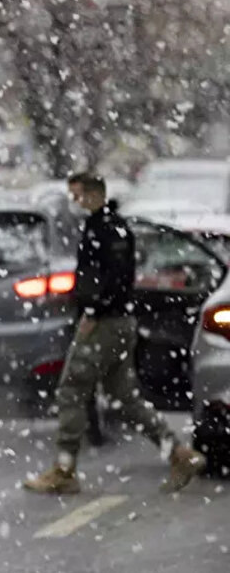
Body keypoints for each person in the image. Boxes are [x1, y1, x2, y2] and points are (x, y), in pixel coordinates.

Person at [23, 172, 206, 494]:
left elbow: (108, 277)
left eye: (77, 195)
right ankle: (178, 453)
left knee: (71, 390)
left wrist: (93, 310)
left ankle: (64, 470)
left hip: (104, 324)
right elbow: (116, 275)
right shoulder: (113, 226)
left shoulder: (103, 229)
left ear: (94, 194)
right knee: (125, 397)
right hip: (120, 321)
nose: (74, 202)